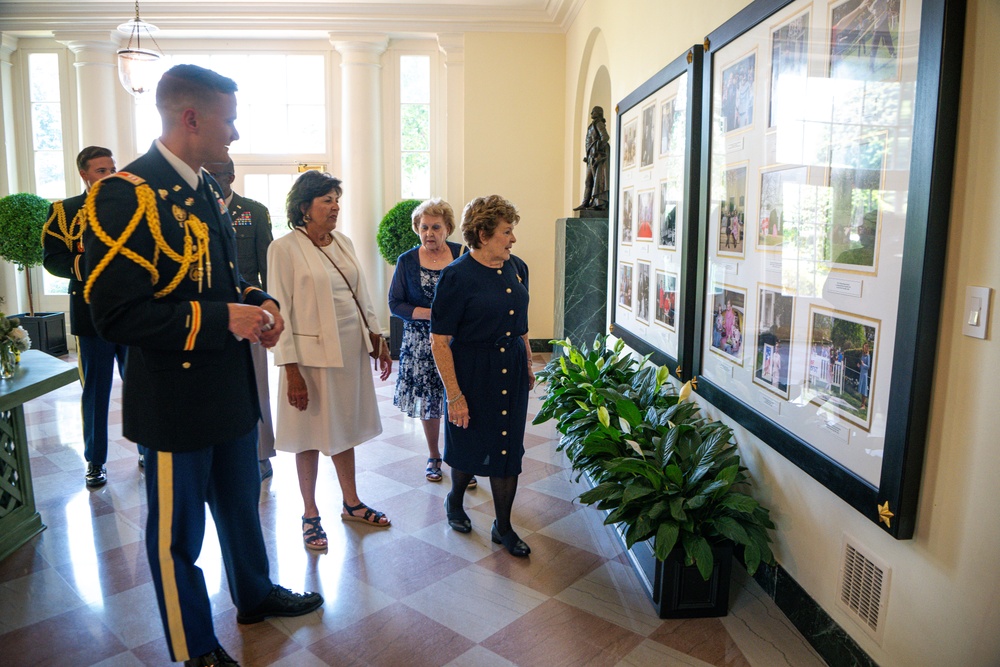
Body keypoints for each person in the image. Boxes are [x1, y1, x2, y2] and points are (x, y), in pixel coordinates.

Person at [82, 64, 322, 667]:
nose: (235, 134)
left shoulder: (203, 188)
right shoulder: (124, 193)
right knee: (177, 539)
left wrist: (256, 300)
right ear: (192, 118)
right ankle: (195, 648)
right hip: (175, 402)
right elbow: (115, 316)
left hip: (227, 392)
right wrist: (221, 322)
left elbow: (215, 278)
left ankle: (254, 594)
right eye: (230, 119)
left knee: (242, 506)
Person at [267, 170, 394, 551]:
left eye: (337, 198)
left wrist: (376, 336)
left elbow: (361, 294)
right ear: (304, 207)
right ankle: (309, 513)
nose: (335, 206)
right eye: (326, 199)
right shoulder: (284, 248)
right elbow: (280, 311)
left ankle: (351, 502)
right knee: (307, 434)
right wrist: (290, 370)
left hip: (347, 352)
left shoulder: (343, 242)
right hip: (307, 359)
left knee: (342, 428)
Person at [431, 194, 535, 557]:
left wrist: (528, 361)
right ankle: (455, 500)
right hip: (472, 371)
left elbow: (521, 325)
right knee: (469, 443)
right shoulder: (455, 277)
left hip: (512, 372)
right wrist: (454, 395)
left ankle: (502, 527)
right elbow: (440, 342)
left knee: (507, 447)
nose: (513, 239)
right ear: (483, 233)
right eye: (507, 231)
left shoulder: (517, 266)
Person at [42, 146, 127, 488]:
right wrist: (86, 267)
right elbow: (52, 258)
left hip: (131, 312)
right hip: (90, 314)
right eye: (101, 170)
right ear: (84, 174)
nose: (109, 175)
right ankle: (95, 460)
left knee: (139, 385)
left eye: (112, 168)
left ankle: (147, 450)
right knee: (95, 390)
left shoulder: (130, 206)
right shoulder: (65, 211)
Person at [388, 198, 479, 487]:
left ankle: (463, 459)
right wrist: (433, 315)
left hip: (459, 342)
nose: (429, 233)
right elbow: (395, 304)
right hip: (421, 343)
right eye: (424, 227)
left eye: (436, 227)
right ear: (417, 229)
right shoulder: (406, 261)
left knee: (459, 398)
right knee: (429, 402)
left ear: (448, 228)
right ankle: (433, 456)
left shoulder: (465, 255)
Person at [205, 158, 276, 481]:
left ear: (231, 176)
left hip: (250, 311)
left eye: (215, 174)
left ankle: (261, 454)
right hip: (213, 315)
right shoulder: (199, 209)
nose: (210, 180)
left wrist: (270, 308)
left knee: (257, 385)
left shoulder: (254, 211)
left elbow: (267, 265)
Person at [574, 106, 610, 210]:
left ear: (598, 113)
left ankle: (597, 203)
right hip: (591, 157)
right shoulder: (592, 125)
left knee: (596, 180)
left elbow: (605, 137)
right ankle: (585, 202)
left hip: (597, 157)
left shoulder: (598, 123)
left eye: (593, 111)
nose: (591, 113)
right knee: (588, 181)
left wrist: (596, 151)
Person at [858, 342, 871, 410]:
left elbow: (868, 366)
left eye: (865, 347)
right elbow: (862, 366)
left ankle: (863, 405)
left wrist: (863, 364)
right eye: (863, 347)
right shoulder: (862, 355)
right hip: (861, 373)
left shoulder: (868, 356)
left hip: (865, 374)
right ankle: (861, 403)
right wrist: (859, 366)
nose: (864, 349)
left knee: (864, 389)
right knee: (862, 388)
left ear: (867, 348)